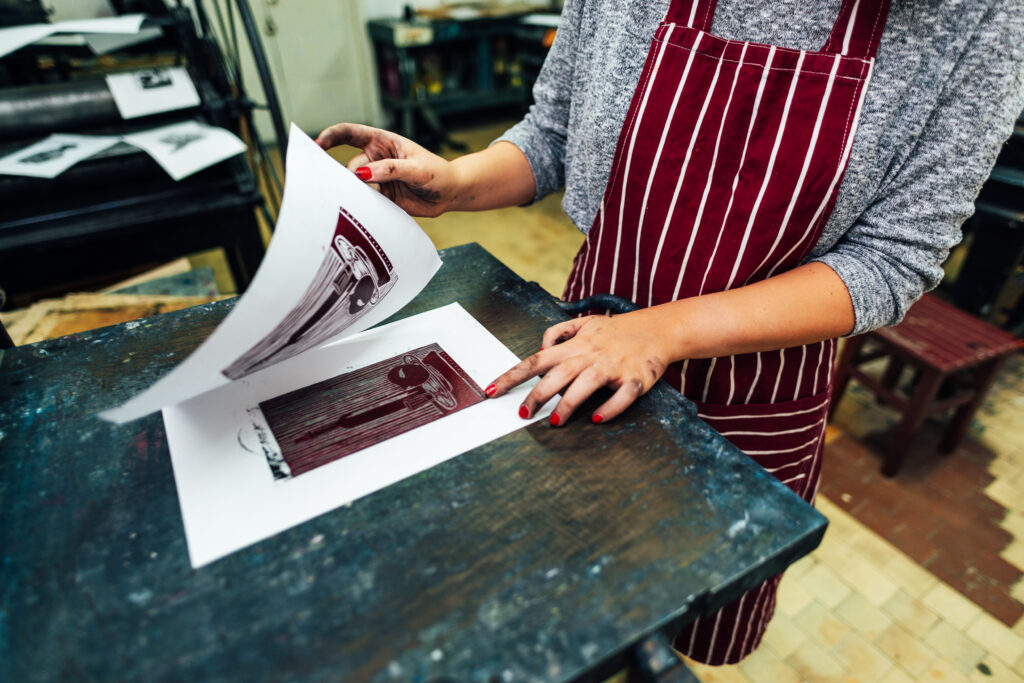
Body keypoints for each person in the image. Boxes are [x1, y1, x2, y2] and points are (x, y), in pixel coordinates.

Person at [318, 0, 1024, 665]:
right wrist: (459, 180)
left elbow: (892, 259)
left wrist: (661, 332)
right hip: (586, 349)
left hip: (755, 394)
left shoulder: (979, 19)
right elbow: (555, 131)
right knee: (564, 592)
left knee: (682, 624)